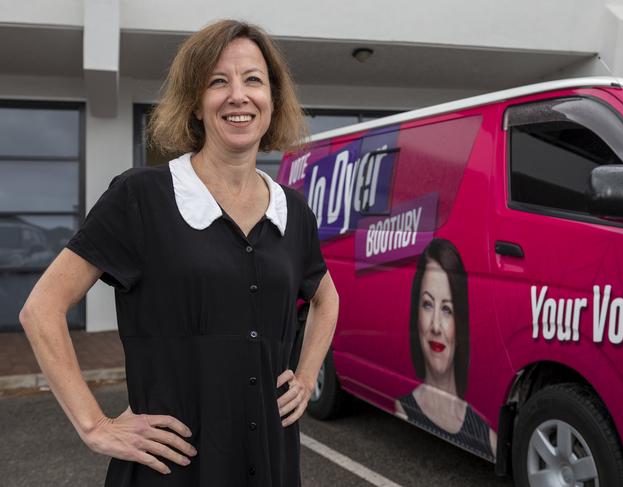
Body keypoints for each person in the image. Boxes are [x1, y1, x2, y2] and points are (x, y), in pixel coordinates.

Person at [19, 19, 339, 486]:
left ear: (273, 98)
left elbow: (326, 299)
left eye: (254, 80)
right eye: (217, 82)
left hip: (269, 464)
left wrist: (307, 376)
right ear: (194, 102)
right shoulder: (142, 197)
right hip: (171, 471)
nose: (238, 95)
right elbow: (41, 310)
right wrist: (95, 425)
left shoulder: (292, 211)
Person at [394, 238, 496, 460]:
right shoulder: (401, 405)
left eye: (447, 310)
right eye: (428, 305)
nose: (436, 326)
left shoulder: (488, 436)